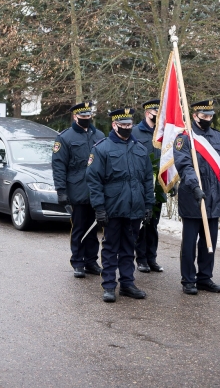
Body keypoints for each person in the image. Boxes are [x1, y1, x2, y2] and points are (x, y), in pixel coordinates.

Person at [86, 107, 154, 303]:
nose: (127, 127)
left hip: (134, 208)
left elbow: (147, 180)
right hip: (112, 208)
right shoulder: (102, 149)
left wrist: (148, 204)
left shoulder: (140, 149)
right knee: (110, 248)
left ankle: (127, 284)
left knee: (128, 248)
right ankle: (108, 285)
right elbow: (94, 181)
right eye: (123, 124)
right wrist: (99, 208)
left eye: (129, 124)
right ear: (114, 125)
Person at [174, 100, 220, 295]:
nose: (207, 119)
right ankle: (188, 279)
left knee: (210, 240)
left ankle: (205, 278)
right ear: (195, 116)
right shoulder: (184, 138)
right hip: (193, 197)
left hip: (213, 197)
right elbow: (184, 165)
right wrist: (195, 186)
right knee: (190, 243)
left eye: (210, 116)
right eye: (204, 116)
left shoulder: (218, 137)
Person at [52, 101, 106, 278]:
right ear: (75, 116)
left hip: (96, 189)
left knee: (93, 228)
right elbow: (59, 166)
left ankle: (91, 261)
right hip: (77, 188)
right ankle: (78, 261)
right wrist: (61, 190)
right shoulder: (64, 138)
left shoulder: (99, 135)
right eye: (83, 116)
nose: (86, 118)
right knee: (79, 227)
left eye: (88, 115)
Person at [131, 99, 163, 273]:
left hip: (157, 187)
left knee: (153, 225)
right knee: (142, 224)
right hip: (140, 185)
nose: (158, 116)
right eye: (155, 112)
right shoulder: (135, 132)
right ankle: (141, 259)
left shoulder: (163, 132)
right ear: (147, 113)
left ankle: (152, 258)